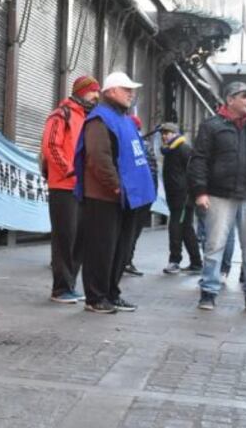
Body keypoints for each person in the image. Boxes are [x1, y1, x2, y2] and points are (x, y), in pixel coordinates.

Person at [188, 81, 246, 313]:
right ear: (230, 99)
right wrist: (200, 192)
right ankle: (208, 292)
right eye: (244, 96)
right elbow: (199, 160)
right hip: (219, 195)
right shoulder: (211, 126)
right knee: (214, 245)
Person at [74, 72, 156, 314]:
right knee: (101, 249)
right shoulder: (100, 119)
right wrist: (116, 185)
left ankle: (111, 293)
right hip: (105, 196)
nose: (131, 93)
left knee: (120, 249)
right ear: (110, 91)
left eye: (132, 89)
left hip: (127, 198)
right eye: (125, 89)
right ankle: (95, 297)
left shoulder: (125, 119)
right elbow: (99, 157)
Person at [40, 75, 99, 303]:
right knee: (65, 238)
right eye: (93, 91)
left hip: (82, 188)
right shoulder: (61, 114)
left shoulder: (87, 117)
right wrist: (70, 171)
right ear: (82, 91)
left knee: (79, 239)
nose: (96, 95)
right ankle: (61, 288)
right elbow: (51, 146)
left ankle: (70, 285)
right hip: (63, 186)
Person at [159, 122, 202, 274]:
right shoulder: (170, 150)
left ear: (175, 133)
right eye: (163, 134)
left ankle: (175, 261)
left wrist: (191, 193)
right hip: (175, 196)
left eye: (167, 133)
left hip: (183, 197)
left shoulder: (183, 149)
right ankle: (196, 262)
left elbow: (193, 172)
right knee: (186, 228)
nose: (164, 136)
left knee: (175, 227)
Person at [123, 114, 157, 277]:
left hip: (134, 195)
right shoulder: (146, 145)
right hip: (145, 195)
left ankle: (124, 261)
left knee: (127, 230)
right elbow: (152, 172)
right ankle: (127, 260)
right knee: (133, 232)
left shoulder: (130, 143)